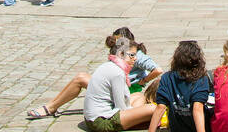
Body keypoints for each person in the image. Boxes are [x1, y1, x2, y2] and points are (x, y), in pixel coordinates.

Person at [27, 30, 162, 119]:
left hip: (127, 90)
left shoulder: (137, 55)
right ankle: (51, 106)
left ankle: (50, 108)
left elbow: (158, 69)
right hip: (115, 89)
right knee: (81, 78)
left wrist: (142, 81)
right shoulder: (119, 58)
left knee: (80, 78)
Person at [133, 41, 212, 132]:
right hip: (199, 129)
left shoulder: (167, 78)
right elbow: (197, 109)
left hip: (177, 129)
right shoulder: (201, 78)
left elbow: (160, 108)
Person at [82, 36, 160, 132]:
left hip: (94, 117)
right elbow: (121, 108)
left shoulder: (109, 65)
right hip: (100, 121)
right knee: (153, 109)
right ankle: (135, 122)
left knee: (139, 96)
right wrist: (137, 112)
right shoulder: (117, 73)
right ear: (121, 54)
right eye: (131, 55)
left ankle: (136, 119)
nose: (135, 59)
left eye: (135, 55)